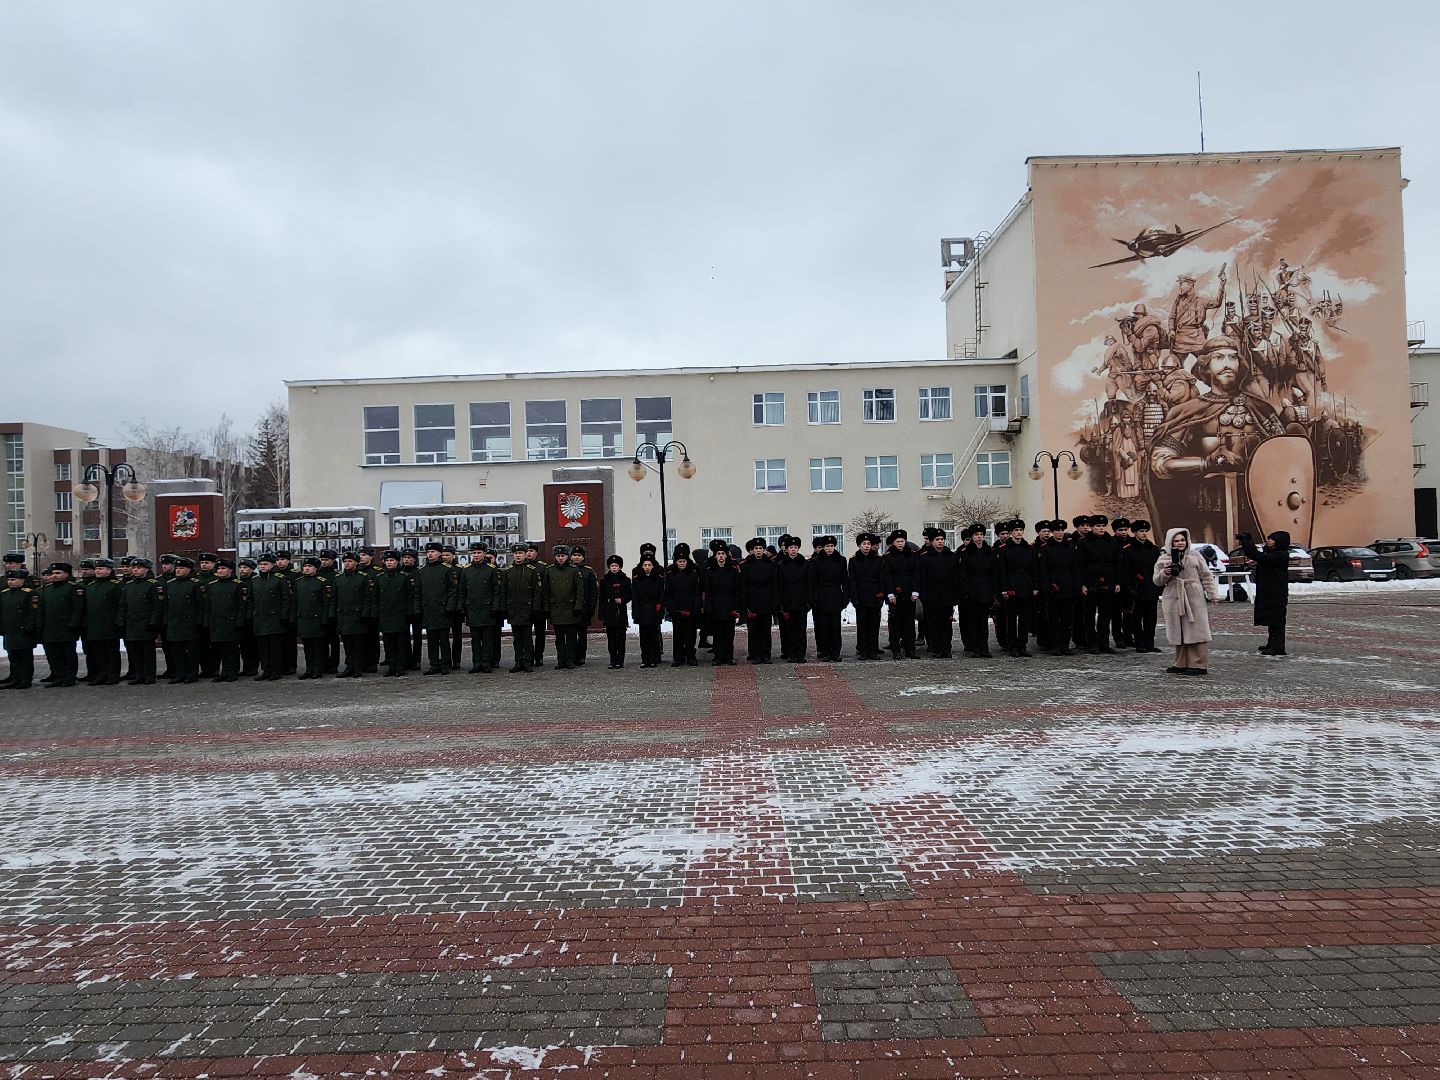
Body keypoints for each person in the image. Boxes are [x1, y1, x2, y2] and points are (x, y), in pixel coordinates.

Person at [1154, 527, 1220, 675]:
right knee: (1179, 631)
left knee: (1197, 629)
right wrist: (1165, 573)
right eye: (1176, 541)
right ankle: (1181, 662)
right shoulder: (1164, 558)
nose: (1180, 543)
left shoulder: (1195, 555)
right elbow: (1157, 581)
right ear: (1170, 542)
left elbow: (1206, 576)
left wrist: (1212, 594)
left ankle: (1199, 664)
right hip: (1173, 595)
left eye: (1182, 540)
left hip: (1193, 595)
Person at [1239, 529, 1291, 656]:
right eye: (1269, 538)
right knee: (1271, 618)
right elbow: (1259, 554)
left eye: (1272, 539)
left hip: (1276, 592)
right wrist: (1249, 540)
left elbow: (1257, 556)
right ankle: (1272, 643)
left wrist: (1246, 542)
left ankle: (1278, 646)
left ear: (1279, 541)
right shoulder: (1271, 553)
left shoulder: (1281, 555)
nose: (1269, 540)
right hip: (1269, 591)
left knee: (1277, 620)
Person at [158, 557, 205, 684]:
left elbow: (201, 605)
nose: (178, 570)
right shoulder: (170, 584)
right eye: (177, 568)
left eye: (181, 568)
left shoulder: (196, 584)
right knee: (176, 651)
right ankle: (180, 673)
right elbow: (166, 605)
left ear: (189, 569)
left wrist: (199, 621)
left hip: (190, 623)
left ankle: (192, 674)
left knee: (192, 652)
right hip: (174, 622)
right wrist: (165, 621)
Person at [1035, 520, 1078, 656]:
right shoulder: (1046, 548)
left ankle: (1065, 644)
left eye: (1062, 531)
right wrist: (1047, 587)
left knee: (1067, 618)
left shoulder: (1070, 547)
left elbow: (1075, 569)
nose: (1060, 533)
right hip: (1053, 588)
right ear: (1052, 533)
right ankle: (1055, 645)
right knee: (1053, 618)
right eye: (1057, 531)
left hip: (1068, 587)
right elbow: (1043, 570)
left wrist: (1075, 585)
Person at [203, 558, 250, 682]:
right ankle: (224, 672)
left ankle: (232, 672)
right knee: (220, 649)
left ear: (230, 570)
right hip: (217, 622)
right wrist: (207, 622)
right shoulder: (212, 585)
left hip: (231, 622)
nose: (220, 571)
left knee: (232, 649)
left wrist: (240, 621)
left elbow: (242, 605)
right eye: (218, 569)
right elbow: (208, 606)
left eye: (223, 568)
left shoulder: (238, 585)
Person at [374, 549, 418, 677]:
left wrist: (410, 613)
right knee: (388, 643)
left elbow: (410, 596)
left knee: (401, 642)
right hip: (385, 615)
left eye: (392, 560)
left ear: (397, 562)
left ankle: (400, 666)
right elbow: (376, 598)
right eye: (387, 560)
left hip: (400, 615)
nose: (389, 563)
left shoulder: (404, 577)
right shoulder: (380, 578)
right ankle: (391, 666)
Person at [332, 551, 377, 678]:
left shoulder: (363, 577)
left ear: (356, 563)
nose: (347, 563)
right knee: (347, 644)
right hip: (343, 616)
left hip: (357, 616)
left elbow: (368, 598)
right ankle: (349, 667)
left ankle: (358, 667)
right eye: (345, 561)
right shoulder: (338, 579)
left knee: (358, 644)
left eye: (350, 561)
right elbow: (334, 599)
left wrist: (365, 614)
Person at [249, 553, 293, 681]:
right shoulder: (255, 580)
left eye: (265, 564)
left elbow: (286, 599)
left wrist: (284, 616)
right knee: (262, 647)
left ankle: (276, 670)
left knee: (275, 647)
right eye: (260, 564)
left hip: (275, 618)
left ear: (272, 564)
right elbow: (251, 600)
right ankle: (266, 669)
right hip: (260, 618)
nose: (262, 567)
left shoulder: (279, 579)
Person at [417, 542, 460, 675]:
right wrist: (419, 608)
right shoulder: (422, 571)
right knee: (431, 639)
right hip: (428, 609)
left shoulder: (447, 569)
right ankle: (434, 663)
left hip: (442, 609)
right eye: (428, 552)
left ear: (439, 553)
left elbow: (453, 590)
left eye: (433, 552)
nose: (430, 554)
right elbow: (418, 592)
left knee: (444, 639)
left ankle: (446, 664)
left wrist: (449, 607)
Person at [916, 528, 958, 659]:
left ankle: (947, 648)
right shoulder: (925, 557)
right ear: (932, 541)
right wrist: (924, 596)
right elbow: (921, 578)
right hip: (931, 596)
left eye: (942, 539)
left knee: (946, 624)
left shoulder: (951, 556)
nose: (940, 542)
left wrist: (955, 595)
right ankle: (936, 648)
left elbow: (956, 577)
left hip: (947, 596)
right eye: (937, 540)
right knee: (934, 624)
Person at [117, 558, 160, 686]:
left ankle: (150, 675)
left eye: (139, 568)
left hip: (146, 623)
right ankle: (139, 675)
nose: (135, 570)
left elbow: (157, 606)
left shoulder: (153, 584)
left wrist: (153, 622)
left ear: (146, 569)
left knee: (148, 651)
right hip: (132, 623)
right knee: (135, 651)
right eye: (134, 568)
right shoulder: (129, 585)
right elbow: (123, 605)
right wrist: (121, 620)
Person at [293, 556, 337, 680]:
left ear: (316, 569)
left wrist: (325, 619)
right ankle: (309, 669)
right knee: (307, 647)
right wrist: (294, 618)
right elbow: (295, 602)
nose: (306, 569)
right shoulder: (299, 582)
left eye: (310, 567)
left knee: (318, 647)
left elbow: (326, 602)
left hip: (317, 619)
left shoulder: (322, 582)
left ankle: (318, 669)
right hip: (303, 619)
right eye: (305, 566)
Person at [81, 558, 123, 685]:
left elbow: (121, 604)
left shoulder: (116, 585)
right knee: (98, 653)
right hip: (94, 625)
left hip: (110, 624)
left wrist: (119, 621)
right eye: (97, 569)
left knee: (111, 652)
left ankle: (113, 675)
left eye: (101, 569)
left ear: (109, 570)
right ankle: (101, 675)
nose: (98, 571)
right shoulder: (91, 586)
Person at [501, 542, 542, 673]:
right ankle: (519, 662)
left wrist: (535, 608)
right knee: (517, 639)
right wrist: (505, 609)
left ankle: (528, 662)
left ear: (525, 554)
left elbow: (537, 591)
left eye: (520, 553)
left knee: (527, 638)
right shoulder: (508, 571)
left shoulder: (532, 570)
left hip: (527, 610)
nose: (518, 556)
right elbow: (504, 592)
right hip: (513, 609)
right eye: (516, 553)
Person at [1123, 521, 1163, 654]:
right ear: (1134, 533)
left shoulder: (1154, 549)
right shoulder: (1128, 550)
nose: (1144, 534)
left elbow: (1158, 569)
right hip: (1136, 588)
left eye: (1146, 531)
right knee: (1137, 617)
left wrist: (1158, 585)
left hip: (1151, 586)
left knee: (1151, 617)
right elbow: (1126, 570)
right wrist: (1129, 586)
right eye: (1141, 531)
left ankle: (1149, 643)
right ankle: (1139, 643)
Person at [460, 543, 500, 674]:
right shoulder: (466, 570)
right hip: (472, 609)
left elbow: (496, 591)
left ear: (484, 553)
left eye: (479, 553)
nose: (476, 555)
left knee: (487, 639)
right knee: (475, 639)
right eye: (474, 553)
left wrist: (495, 607)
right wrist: (462, 607)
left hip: (487, 609)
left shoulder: (491, 570)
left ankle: (486, 662)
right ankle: (476, 662)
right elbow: (462, 591)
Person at [546, 544, 587, 671]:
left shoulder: (574, 570)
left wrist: (578, 607)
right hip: (556, 608)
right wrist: (547, 608)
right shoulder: (550, 570)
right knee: (559, 638)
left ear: (567, 556)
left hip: (570, 608)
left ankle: (570, 660)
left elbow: (580, 591)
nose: (560, 558)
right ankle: (561, 660)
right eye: (558, 556)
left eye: (562, 556)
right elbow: (546, 591)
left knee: (570, 637)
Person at [957, 525, 996, 659]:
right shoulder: (966, 552)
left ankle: (984, 647)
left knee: (983, 621)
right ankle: (975, 648)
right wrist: (965, 593)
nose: (979, 537)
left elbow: (994, 573)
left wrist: (993, 592)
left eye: (981, 534)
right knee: (973, 621)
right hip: (972, 589)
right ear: (972, 537)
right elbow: (962, 575)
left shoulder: (990, 551)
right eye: (976, 535)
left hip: (985, 588)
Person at [808, 534, 848, 662]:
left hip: (836, 594)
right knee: (823, 626)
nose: (830, 548)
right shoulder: (816, 561)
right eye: (827, 546)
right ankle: (825, 651)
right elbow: (812, 581)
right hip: (821, 595)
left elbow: (845, 580)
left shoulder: (841, 560)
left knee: (835, 627)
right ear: (823, 548)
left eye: (831, 546)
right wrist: (814, 598)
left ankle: (835, 652)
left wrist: (845, 597)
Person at [881, 530, 919, 660]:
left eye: (903, 541)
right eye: (898, 542)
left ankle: (910, 648)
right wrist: (890, 593)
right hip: (895, 593)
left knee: (909, 622)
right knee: (895, 622)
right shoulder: (887, 556)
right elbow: (887, 576)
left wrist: (915, 591)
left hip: (909, 592)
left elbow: (916, 573)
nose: (901, 544)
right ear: (893, 543)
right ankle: (895, 648)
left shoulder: (913, 555)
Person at [739, 537, 778, 664]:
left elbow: (774, 584)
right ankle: (754, 654)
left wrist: (773, 602)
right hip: (752, 601)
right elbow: (743, 586)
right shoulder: (746, 565)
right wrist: (745, 604)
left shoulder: (771, 564)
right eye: (756, 549)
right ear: (752, 550)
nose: (758, 551)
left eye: (760, 548)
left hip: (766, 600)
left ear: (764, 549)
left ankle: (766, 654)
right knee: (754, 630)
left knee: (766, 630)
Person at [1, 567, 40, 689]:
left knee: (25, 657)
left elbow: (33, 612)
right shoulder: (4, 594)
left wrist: (29, 626)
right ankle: (14, 677)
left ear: (22, 580)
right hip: (9, 630)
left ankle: (25, 679)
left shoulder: (29, 593)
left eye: (13, 579)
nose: (10, 582)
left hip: (23, 630)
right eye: (9, 580)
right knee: (12, 656)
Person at [847, 532, 885, 661]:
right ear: (859, 545)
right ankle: (863, 650)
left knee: (874, 625)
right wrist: (854, 597)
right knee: (862, 625)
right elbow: (851, 580)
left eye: (868, 544)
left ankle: (873, 650)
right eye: (864, 544)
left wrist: (881, 595)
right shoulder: (853, 560)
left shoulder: (878, 559)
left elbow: (882, 578)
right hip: (861, 595)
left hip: (875, 595)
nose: (866, 546)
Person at [701, 545, 740, 665]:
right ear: (715, 556)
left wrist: (736, 607)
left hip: (729, 605)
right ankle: (718, 656)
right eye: (718, 554)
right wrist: (708, 607)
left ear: (727, 555)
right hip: (716, 605)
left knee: (729, 633)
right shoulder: (710, 571)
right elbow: (707, 591)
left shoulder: (733, 570)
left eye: (723, 553)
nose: (721, 556)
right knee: (717, 633)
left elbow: (737, 590)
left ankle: (729, 656)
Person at [774, 535, 810, 663]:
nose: (793, 550)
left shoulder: (805, 564)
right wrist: (780, 604)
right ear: (787, 549)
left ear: (798, 548)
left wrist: (808, 601)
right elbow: (778, 585)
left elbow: (809, 584)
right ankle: (791, 653)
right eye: (791, 547)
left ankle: (800, 654)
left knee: (800, 629)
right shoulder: (781, 564)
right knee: (789, 629)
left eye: (795, 547)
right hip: (787, 601)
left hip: (801, 600)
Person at [664, 544, 701, 666]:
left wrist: (695, 608)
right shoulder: (670, 573)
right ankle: (678, 657)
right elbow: (668, 592)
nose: (682, 563)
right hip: (676, 609)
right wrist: (672, 608)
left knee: (690, 635)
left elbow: (697, 592)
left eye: (684, 561)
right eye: (679, 561)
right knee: (678, 635)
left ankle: (690, 656)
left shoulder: (694, 573)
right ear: (676, 562)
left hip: (690, 609)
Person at [631, 554, 666, 667]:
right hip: (642, 611)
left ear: (653, 566)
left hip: (653, 611)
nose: (647, 567)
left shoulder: (659, 579)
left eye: (649, 565)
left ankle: (653, 658)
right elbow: (635, 598)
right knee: (644, 637)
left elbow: (661, 596)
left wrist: (660, 610)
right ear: (642, 566)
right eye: (645, 565)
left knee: (653, 636)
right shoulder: (637, 580)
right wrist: (636, 612)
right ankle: (644, 659)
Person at [598, 555, 633, 668]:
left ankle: (620, 660)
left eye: (616, 566)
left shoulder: (626, 580)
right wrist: (601, 612)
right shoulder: (604, 580)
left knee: (621, 639)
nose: (614, 568)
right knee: (611, 639)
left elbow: (629, 594)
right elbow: (602, 597)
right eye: (612, 566)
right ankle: (613, 660)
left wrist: (622, 600)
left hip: (621, 612)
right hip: (609, 613)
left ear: (620, 567)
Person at [569, 546, 599, 665]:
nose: (576, 558)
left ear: (583, 557)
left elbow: (593, 590)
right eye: (574, 555)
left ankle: (581, 656)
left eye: (579, 555)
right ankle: (572, 655)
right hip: (570, 607)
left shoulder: (588, 571)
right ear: (571, 556)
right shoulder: (568, 569)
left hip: (584, 607)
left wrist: (592, 606)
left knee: (582, 634)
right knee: (571, 634)